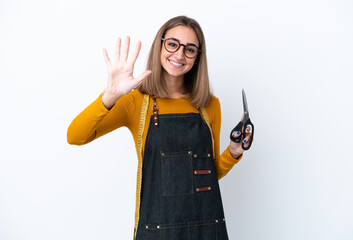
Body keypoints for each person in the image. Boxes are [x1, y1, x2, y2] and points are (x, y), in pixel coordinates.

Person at [67, 15, 252, 240]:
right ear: (160, 45)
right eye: (173, 44)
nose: (180, 54)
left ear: (197, 57)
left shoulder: (209, 105)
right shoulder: (135, 102)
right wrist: (109, 96)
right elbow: (75, 136)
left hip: (206, 229)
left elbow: (206, 176)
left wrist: (233, 152)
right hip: (156, 231)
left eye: (190, 49)